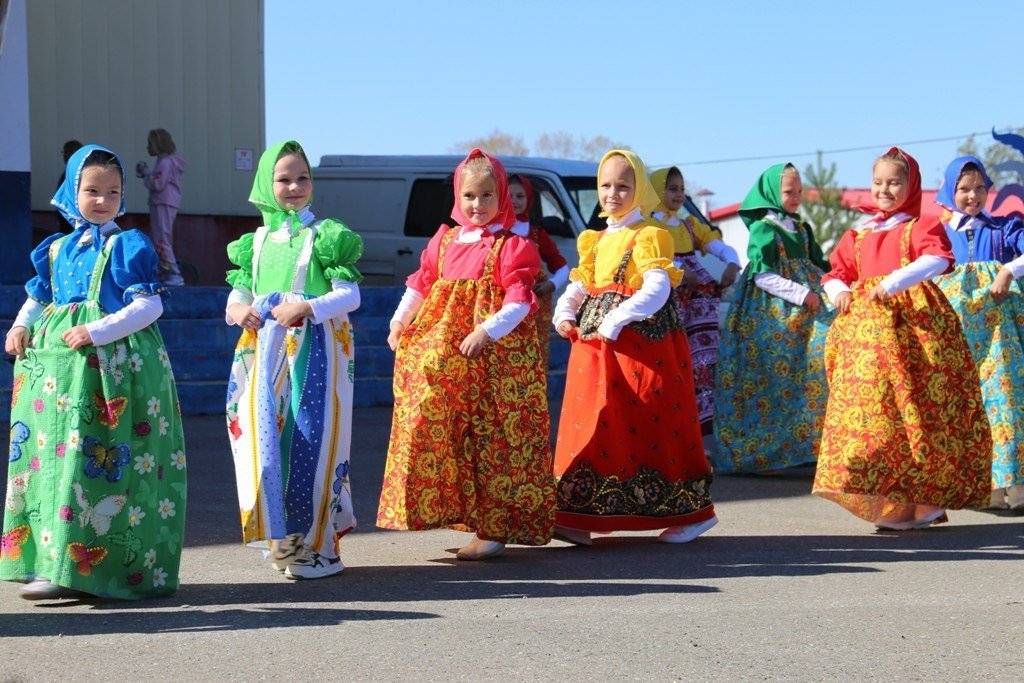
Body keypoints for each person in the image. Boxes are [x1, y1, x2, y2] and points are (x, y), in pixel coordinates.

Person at [2, 144, 186, 599]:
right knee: (50, 462)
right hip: (55, 376)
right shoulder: (57, 248)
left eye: (113, 191)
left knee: (95, 464)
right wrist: (21, 325)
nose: (102, 199)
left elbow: (149, 305)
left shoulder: (128, 245)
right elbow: (40, 297)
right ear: (71, 192)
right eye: (92, 190)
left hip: (111, 373)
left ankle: (88, 567)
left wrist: (98, 330)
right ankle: (50, 559)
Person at [378, 148, 555, 561]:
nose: (478, 205)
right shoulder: (445, 240)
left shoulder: (512, 246)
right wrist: (399, 321)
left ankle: (494, 526)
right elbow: (421, 284)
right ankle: (465, 514)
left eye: (488, 196)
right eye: (471, 196)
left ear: (502, 197)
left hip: (493, 363)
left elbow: (520, 300)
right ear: (459, 195)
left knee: (493, 436)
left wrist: (486, 331)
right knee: (436, 424)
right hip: (447, 355)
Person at [814, 147, 991, 529]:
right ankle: (893, 500)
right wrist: (840, 292)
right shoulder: (857, 235)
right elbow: (833, 274)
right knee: (877, 418)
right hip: (866, 342)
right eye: (878, 182)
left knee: (917, 413)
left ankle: (925, 501)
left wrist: (894, 283)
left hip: (913, 334)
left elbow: (939, 259)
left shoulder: (920, 226)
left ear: (911, 186)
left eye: (895, 182)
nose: (885, 189)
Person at [551, 149, 716, 545]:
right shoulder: (595, 239)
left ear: (640, 189)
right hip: (595, 349)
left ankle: (691, 513)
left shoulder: (650, 235)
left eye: (623, 185)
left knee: (654, 420)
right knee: (594, 421)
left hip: (645, 346)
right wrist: (564, 310)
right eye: (605, 185)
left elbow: (658, 286)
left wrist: (616, 318)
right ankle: (579, 513)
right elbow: (581, 284)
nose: (612, 193)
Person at [224, 140, 363, 580]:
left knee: (313, 440)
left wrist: (309, 307)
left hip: (316, 354)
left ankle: (319, 545)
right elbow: (241, 291)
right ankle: (282, 538)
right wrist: (236, 309)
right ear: (267, 185)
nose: (295, 186)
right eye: (284, 179)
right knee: (265, 443)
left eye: (303, 178)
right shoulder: (256, 242)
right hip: (265, 353)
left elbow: (350, 295)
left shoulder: (325, 236)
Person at [713, 164, 833, 473]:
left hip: (808, 312)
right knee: (772, 376)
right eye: (788, 192)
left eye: (799, 191)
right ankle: (766, 446)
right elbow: (764, 275)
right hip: (772, 313)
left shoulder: (801, 228)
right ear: (771, 193)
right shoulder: (764, 229)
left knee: (814, 370)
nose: (795, 197)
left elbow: (822, 265)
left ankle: (809, 442)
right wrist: (802, 295)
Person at [933, 156, 1024, 510]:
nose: (973, 196)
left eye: (979, 188)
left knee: (1004, 402)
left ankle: (1015, 487)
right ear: (949, 190)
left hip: (999, 337)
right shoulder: (940, 234)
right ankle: (978, 486)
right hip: (956, 336)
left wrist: (1007, 272)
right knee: (960, 405)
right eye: (964, 189)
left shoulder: (1003, 229)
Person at [649, 166, 741, 441]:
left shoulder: (689, 224)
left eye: (681, 189)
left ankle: (699, 421)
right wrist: (677, 269)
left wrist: (732, 263)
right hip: (667, 296)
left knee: (701, 357)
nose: (679, 194)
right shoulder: (649, 226)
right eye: (671, 188)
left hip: (697, 301)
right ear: (655, 190)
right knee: (669, 355)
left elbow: (715, 244)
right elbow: (650, 256)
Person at [508, 173, 569, 368]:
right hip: (499, 305)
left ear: (529, 199)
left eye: (520, 196)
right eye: (509, 195)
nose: (515, 201)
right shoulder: (493, 231)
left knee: (532, 359)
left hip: (534, 309)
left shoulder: (536, 233)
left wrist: (552, 284)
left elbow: (562, 267)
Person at [136, 128, 186, 286]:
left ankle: (174, 274)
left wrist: (145, 174)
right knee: (160, 239)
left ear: (158, 144)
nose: (148, 147)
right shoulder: (165, 161)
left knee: (162, 239)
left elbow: (157, 183)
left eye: (150, 144)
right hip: (164, 202)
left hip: (163, 202)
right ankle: (166, 271)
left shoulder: (165, 162)